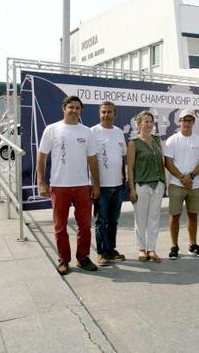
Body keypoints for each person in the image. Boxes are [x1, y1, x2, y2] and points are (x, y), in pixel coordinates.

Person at [36, 95, 100, 275]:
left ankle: (83, 257)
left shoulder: (87, 132)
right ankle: (63, 259)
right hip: (59, 186)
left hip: (82, 186)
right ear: (64, 108)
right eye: (70, 107)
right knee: (60, 226)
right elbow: (41, 157)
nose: (74, 110)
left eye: (77, 108)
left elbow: (93, 160)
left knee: (85, 225)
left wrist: (96, 184)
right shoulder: (52, 129)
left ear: (81, 111)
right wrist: (41, 183)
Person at [164, 109, 199, 259]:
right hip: (177, 184)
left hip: (194, 185)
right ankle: (174, 246)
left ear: (193, 123)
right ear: (180, 121)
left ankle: (193, 245)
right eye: (184, 120)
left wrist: (191, 176)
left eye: (190, 120)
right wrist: (182, 178)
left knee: (193, 216)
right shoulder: (172, 140)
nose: (187, 123)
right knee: (174, 215)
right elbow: (168, 162)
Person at [90, 101, 127, 266]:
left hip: (117, 186)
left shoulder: (119, 133)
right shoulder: (92, 132)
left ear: (115, 114)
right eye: (103, 112)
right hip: (101, 187)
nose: (106, 115)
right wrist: (94, 185)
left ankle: (111, 249)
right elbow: (89, 161)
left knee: (113, 221)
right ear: (100, 113)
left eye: (109, 112)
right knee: (100, 221)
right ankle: (102, 252)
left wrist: (124, 178)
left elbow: (123, 157)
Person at [127, 110, 166, 263]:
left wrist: (165, 182)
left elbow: (161, 162)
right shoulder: (133, 143)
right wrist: (131, 189)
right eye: (146, 122)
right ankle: (142, 249)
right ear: (139, 124)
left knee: (154, 218)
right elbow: (130, 168)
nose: (149, 124)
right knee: (140, 219)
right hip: (141, 185)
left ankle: (151, 249)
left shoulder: (157, 140)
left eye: (151, 122)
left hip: (158, 184)